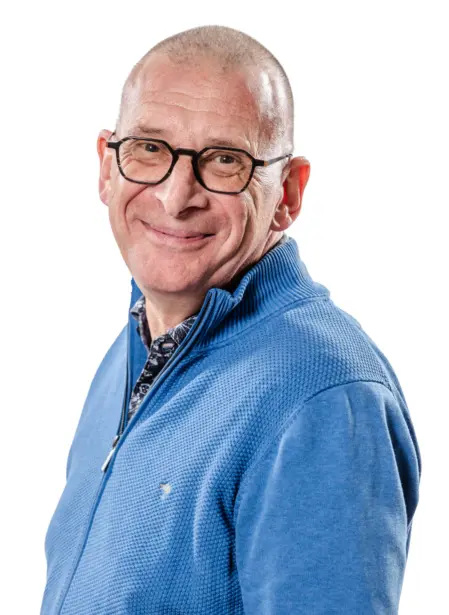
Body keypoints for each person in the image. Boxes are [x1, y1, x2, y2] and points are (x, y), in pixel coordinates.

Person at [40, 25, 422, 615]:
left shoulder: (323, 398)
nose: (175, 198)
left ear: (287, 194)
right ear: (107, 167)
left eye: (224, 161)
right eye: (149, 148)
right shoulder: (138, 347)